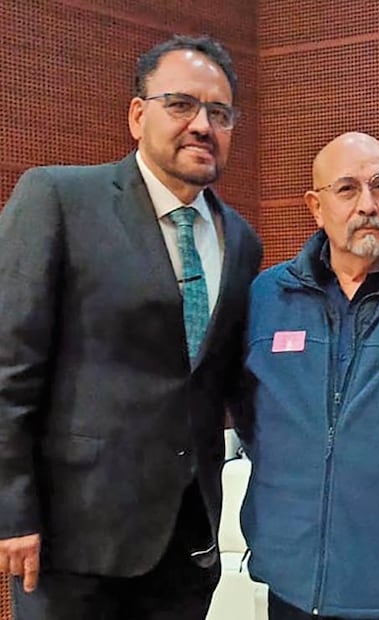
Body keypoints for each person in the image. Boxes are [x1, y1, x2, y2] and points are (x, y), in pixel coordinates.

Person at [0, 34, 262, 619]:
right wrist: (10, 511)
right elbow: (8, 370)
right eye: (182, 105)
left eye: (219, 114)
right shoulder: (60, 199)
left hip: (186, 543)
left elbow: (220, 382)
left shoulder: (241, 240)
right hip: (73, 540)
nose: (202, 125)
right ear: (138, 115)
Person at [238, 132, 379, 619]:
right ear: (316, 207)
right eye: (347, 189)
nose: (367, 204)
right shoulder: (266, 298)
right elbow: (251, 416)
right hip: (293, 579)